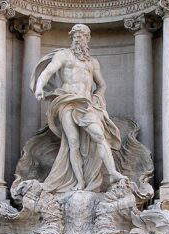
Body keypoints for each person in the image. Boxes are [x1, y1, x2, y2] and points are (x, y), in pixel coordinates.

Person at [31, 23, 127, 193]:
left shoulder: (92, 62)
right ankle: (80, 182)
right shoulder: (64, 55)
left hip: (86, 104)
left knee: (99, 135)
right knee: (72, 142)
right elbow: (48, 71)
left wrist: (98, 98)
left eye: (81, 35)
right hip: (67, 101)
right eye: (75, 35)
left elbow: (102, 85)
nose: (78, 38)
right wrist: (39, 87)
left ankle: (112, 173)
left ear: (87, 39)